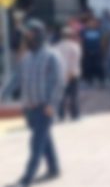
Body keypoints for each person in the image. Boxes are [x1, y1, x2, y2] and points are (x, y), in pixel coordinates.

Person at [2, 20, 64, 187]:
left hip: (44, 108)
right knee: (45, 140)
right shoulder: (26, 58)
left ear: (40, 34)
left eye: (31, 34)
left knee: (35, 144)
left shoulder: (52, 56)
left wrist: (51, 104)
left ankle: (26, 179)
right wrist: (2, 95)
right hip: (29, 108)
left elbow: (57, 82)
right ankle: (54, 168)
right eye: (26, 34)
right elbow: (16, 79)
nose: (28, 37)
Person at [54, 27, 82, 121]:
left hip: (60, 74)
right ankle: (75, 115)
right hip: (73, 73)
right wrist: (70, 73)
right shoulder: (75, 46)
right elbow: (75, 60)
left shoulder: (56, 47)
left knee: (62, 96)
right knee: (74, 96)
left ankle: (61, 115)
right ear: (71, 36)